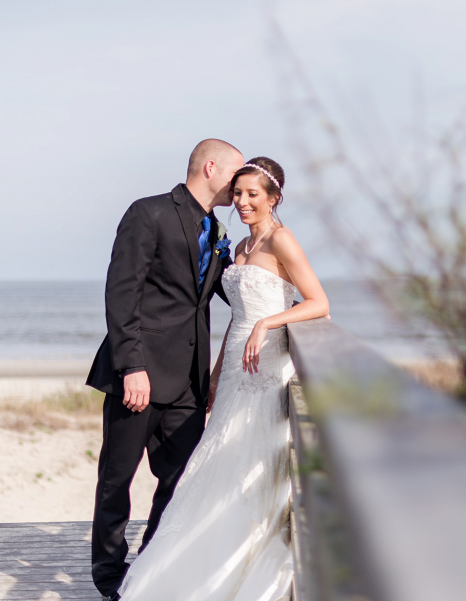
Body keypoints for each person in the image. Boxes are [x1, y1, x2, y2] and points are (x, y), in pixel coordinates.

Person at [117, 157, 329, 601]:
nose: (243, 202)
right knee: (216, 464)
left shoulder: (281, 240)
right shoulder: (239, 249)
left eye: (254, 194)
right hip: (234, 368)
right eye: (238, 193)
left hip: (267, 367)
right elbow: (235, 318)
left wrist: (267, 324)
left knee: (250, 460)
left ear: (274, 199)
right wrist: (215, 375)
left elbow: (318, 303)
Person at [86, 139, 245, 601]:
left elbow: (229, 292)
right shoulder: (148, 213)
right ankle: (109, 579)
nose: (238, 188)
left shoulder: (216, 231)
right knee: (117, 479)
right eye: (235, 176)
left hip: (190, 382)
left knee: (180, 482)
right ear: (211, 167)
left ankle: (151, 564)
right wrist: (131, 366)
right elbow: (122, 294)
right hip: (139, 375)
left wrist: (283, 302)